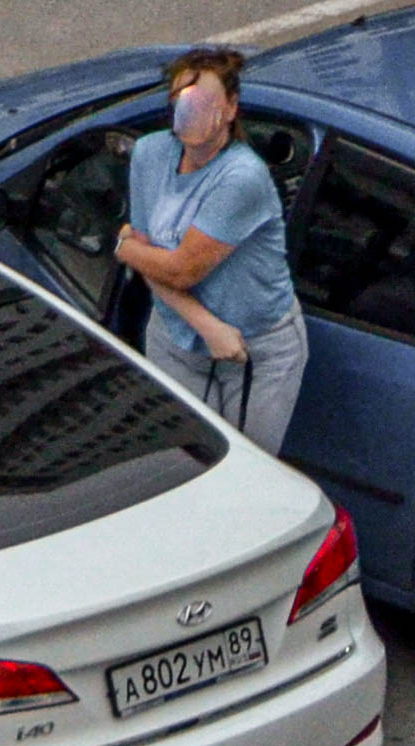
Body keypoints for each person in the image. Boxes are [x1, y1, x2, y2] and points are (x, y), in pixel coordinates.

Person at [114, 47, 306, 455]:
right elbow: (156, 263)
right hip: (177, 337)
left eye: (204, 101)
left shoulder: (242, 177)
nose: (192, 111)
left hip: (253, 348)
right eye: (182, 100)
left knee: (245, 466)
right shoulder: (150, 154)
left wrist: (125, 248)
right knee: (186, 460)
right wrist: (205, 325)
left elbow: (180, 269)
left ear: (231, 108)